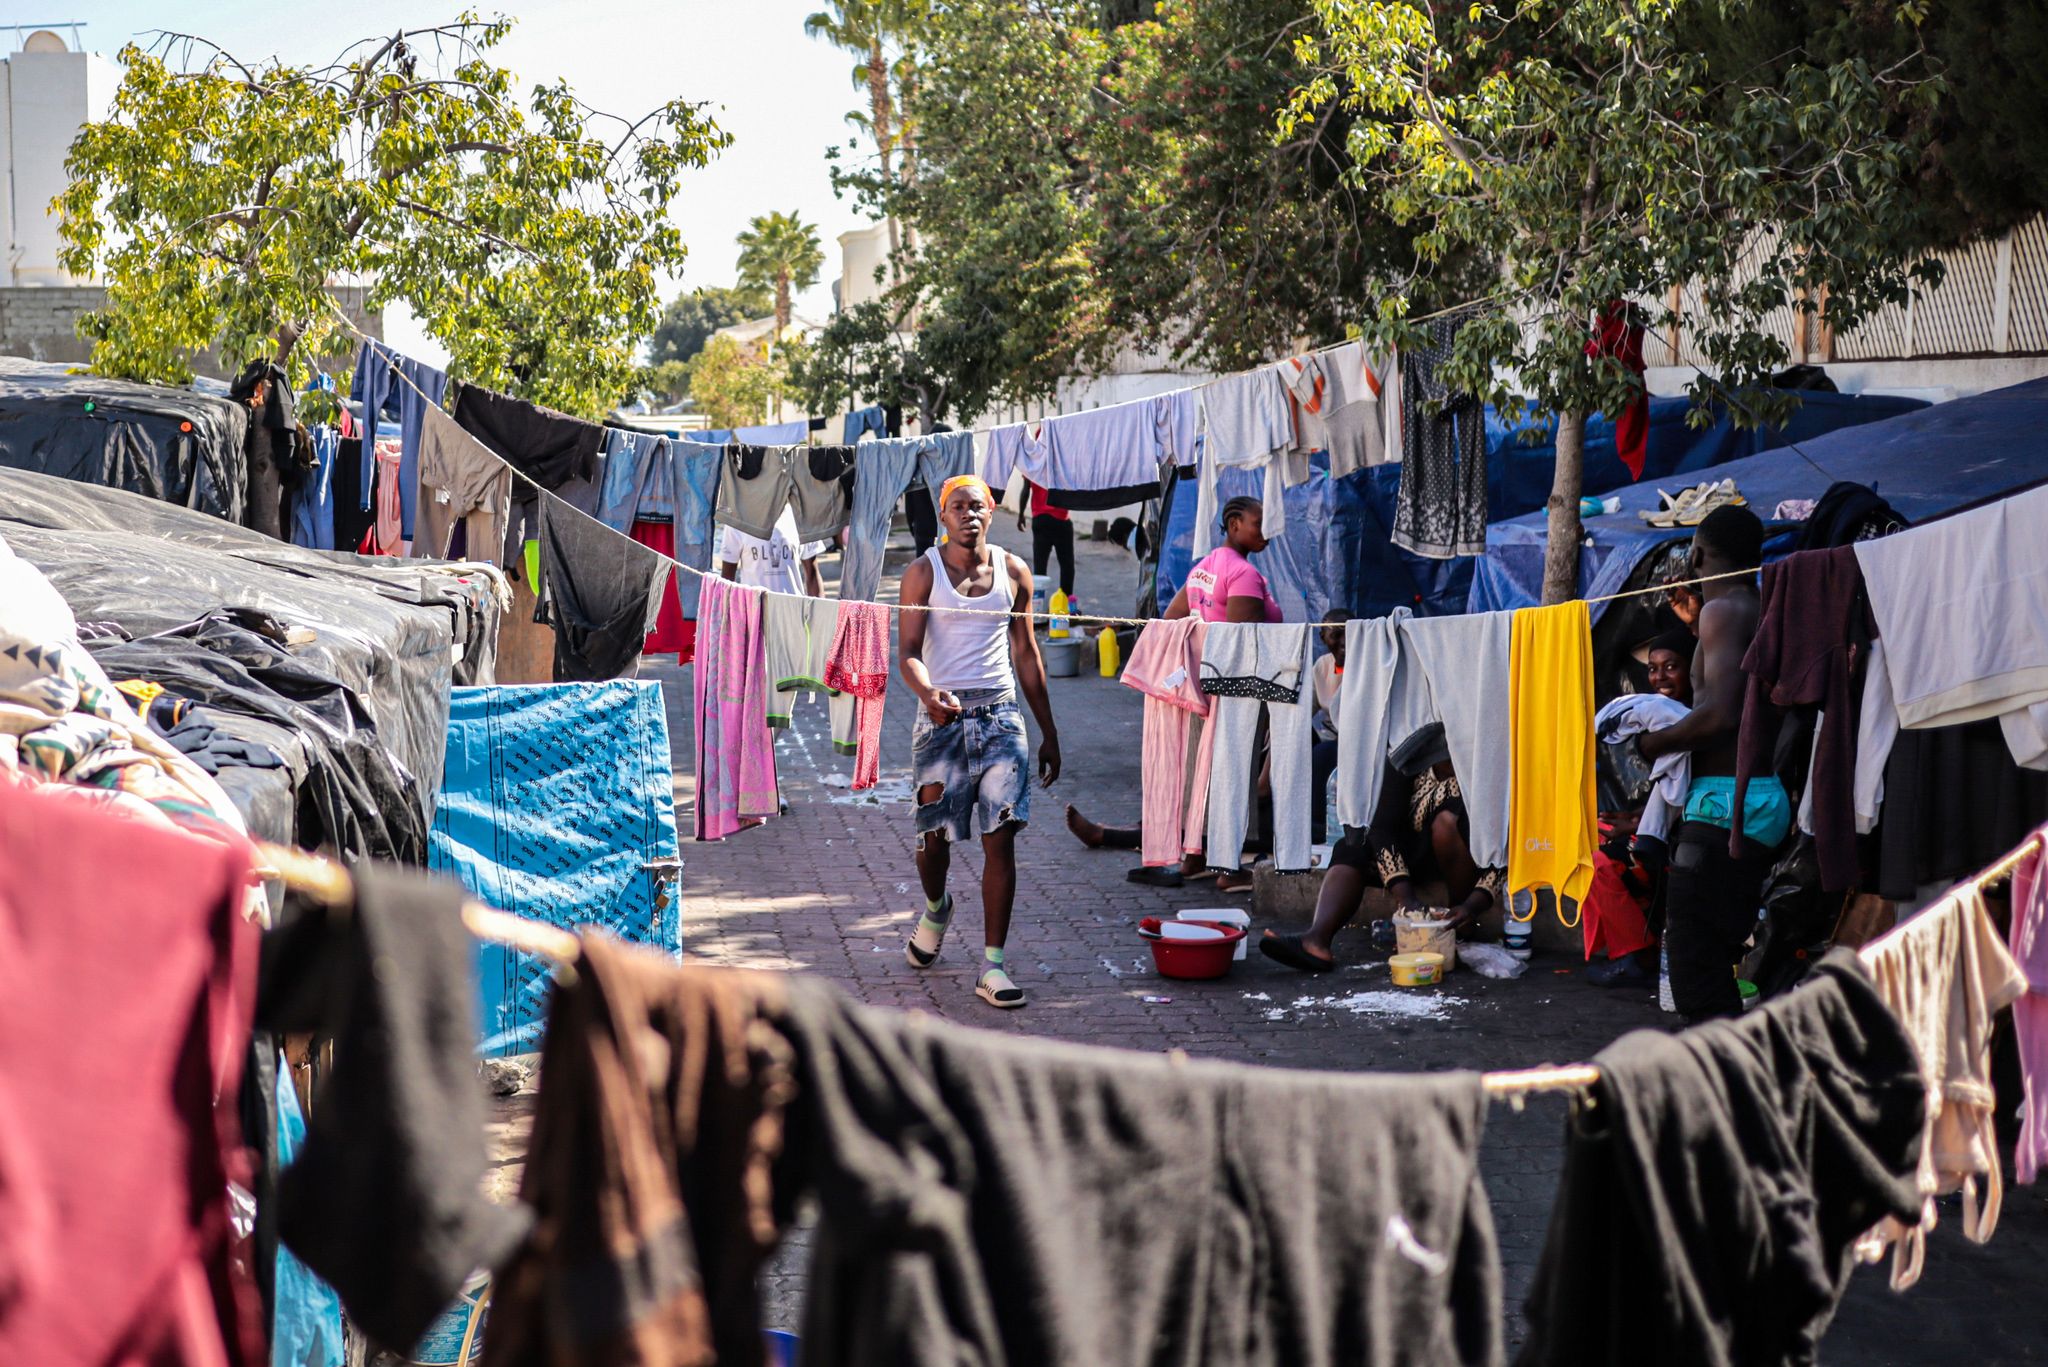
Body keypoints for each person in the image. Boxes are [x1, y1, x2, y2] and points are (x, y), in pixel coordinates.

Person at [898, 474, 1061, 1009]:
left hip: (1000, 718)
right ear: (942, 517)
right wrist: (928, 694)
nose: (969, 514)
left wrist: (1048, 732)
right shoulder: (922, 574)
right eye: (958, 507)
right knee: (933, 843)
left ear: (991, 512)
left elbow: (1027, 654)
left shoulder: (1014, 572)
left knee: (1001, 838)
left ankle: (992, 964)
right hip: (940, 720)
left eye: (978, 506)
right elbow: (908, 652)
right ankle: (937, 906)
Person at [1067, 496, 1278, 891]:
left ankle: (1193, 860)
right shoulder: (1244, 574)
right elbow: (1241, 643)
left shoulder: (1204, 569)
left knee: (1201, 777)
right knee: (1231, 777)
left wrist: (1198, 645)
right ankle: (1229, 869)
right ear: (1234, 524)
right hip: (1233, 693)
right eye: (1258, 521)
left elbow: (1172, 618)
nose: (1266, 529)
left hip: (1200, 691)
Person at [1636, 504, 1784, 1022]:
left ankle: (1725, 1085)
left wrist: (1656, 745)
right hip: (1758, 797)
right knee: (1716, 962)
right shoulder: (1753, 603)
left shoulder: (1724, 614)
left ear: (1696, 553)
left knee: (1695, 976)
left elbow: (1721, 713)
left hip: (1723, 802)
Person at [1259, 744, 1503, 974]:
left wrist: (1472, 906)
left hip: (1465, 861)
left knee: (1447, 823)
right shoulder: (1408, 750)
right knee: (1353, 845)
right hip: (1411, 854)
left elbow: (1509, 844)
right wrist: (1406, 899)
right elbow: (1382, 826)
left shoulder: (1493, 765)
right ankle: (1317, 939)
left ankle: (1457, 930)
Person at [1582, 628, 1696, 988]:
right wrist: (1633, 820)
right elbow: (1668, 791)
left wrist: (1632, 829)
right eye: (1652, 669)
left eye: (1671, 667)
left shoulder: (1698, 718)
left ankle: (1632, 952)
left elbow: (1684, 802)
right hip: (1656, 828)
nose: (1659, 677)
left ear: (1693, 669)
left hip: (1687, 837)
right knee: (1588, 836)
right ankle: (1629, 948)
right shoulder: (1661, 718)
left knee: (1599, 862)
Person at [719, 504, 826, 597]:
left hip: (793, 612)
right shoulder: (737, 519)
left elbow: (812, 575)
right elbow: (727, 580)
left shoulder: (802, 516)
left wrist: (820, 616)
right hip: (754, 615)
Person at [1018, 477, 1076, 607]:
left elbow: (1026, 489)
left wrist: (1021, 514)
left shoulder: (1033, 461)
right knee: (1067, 565)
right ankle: (1065, 606)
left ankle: (1038, 607)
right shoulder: (1062, 460)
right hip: (1061, 519)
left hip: (1040, 519)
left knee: (1040, 565)